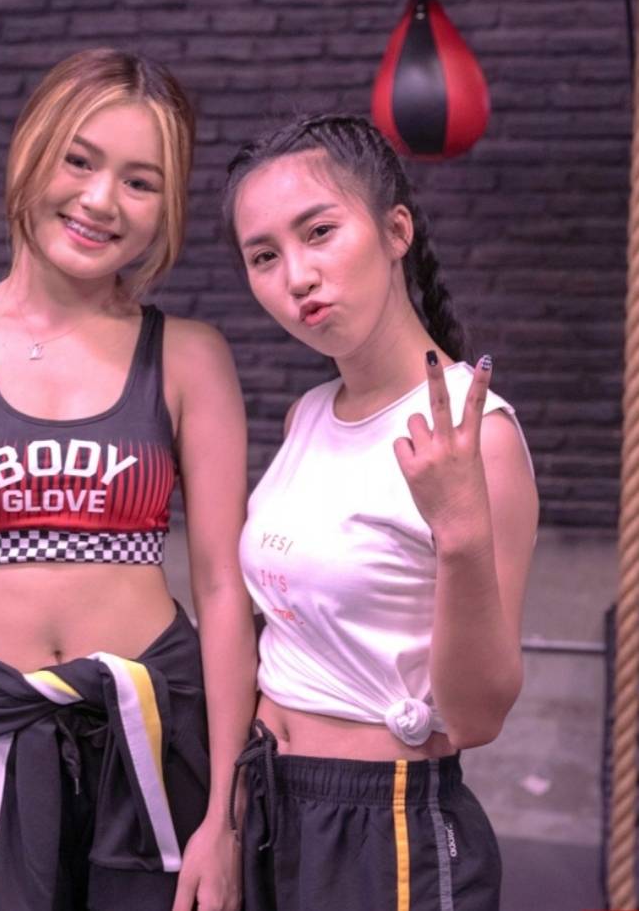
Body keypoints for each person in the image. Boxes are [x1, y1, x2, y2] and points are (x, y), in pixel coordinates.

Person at [0, 48, 257, 911]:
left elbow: (223, 588)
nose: (101, 200)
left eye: (140, 182)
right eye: (79, 160)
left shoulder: (189, 357)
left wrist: (224, 810)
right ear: (31, 152)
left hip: (153, 735)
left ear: (167, 207)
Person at [223, 113, 539, 911]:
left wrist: (459, 530)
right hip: (270, 801)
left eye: (319, 232)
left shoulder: (477, 434)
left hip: (381, 826)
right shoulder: (306, 414)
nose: (296, 276)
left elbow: (476, 717)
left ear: (395, 230)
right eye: (264, 256)